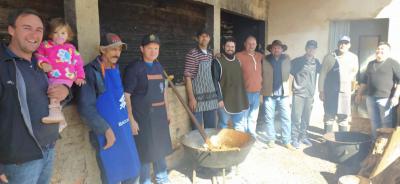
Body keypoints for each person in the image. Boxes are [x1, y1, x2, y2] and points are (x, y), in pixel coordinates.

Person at [0, 8, 70, 184]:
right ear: (11, 30)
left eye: (39, 30)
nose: (34, 34)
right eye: (26, 28)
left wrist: (65, 91)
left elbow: (60, 87)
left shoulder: (40, 64)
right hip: (18, 160)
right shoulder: (3, 65)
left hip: (48, 149)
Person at [77, 33, 140, 184]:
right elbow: (86, 108)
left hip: (123, 131)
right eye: (113, 49)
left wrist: (130, 119)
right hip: (106, 135)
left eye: (119, 49)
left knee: (132, 172)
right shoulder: (90, 72)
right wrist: (105, 129)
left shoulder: (115, 69)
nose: (117, 53)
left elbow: (121, 101)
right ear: (102, 50)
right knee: (112, 176)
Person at [124, 34, 172, 184]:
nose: (153, 51)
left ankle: (162, 178)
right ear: (141, 49)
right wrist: (131, 119)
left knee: (160, 148)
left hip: (159, 116)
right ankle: (144, 181)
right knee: (144, 152)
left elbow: (163, 90)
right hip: (142, 118)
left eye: (156, 48)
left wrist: (168, 111)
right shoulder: (134, 68)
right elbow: (126, 95)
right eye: (149, 48)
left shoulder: (159, 67)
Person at [35, 17, 85, 131]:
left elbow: (78, 63)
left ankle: (56, 117)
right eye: (55, 32)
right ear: (50, 34)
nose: (59, 35)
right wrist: (43, 63)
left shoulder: (71, 48)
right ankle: (60, 120)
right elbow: (38, 55)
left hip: (66, 76)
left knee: (54, 93)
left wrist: (80, 76)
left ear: (68, 35)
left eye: (63, 33)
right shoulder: (45, 45)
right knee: (51, 94)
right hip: (51, 76)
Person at [356, 42, 400, 139]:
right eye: (378, 49)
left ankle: (383, 148)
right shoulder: (371, 64)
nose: (379, 51)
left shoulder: (393, 63)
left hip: (386, 99)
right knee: (374, 122)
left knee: (386, 124)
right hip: (370, 98)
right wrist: (359, 94)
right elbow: (364, 81)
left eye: (382, 49)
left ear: (388, 52)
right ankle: (374, 145)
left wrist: (396, 96)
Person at [318, 36, 359, 133]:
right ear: (337, 44)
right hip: (330, 92)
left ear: (349, 45)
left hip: (344, 93)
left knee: (343, 118)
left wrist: (349, 82)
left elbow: (354, 72)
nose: (342, 45)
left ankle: (341, 142)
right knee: (329, 115)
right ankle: (327, 140)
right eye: (341, 43)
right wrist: (321, 91)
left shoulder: (353, 57)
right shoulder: (329, 57)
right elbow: (322, 74)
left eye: (345, 43)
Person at [261, 40, 294, 150]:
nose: (276, 50)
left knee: (286, 118)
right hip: (269, 94)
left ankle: (286, 141)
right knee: (269, 117)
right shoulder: (264, 59)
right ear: (271, 49)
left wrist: (293, 89)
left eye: (279, 48)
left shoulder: (287, 59)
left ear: (282, 49)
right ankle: (271, 139)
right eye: (274, 48)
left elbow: (295, 71)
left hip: (284, 94)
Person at [184, 29, 219, 129]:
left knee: (211, 128)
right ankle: (197, 145)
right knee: (197, 130)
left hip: (211, 97)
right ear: (197, 38)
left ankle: (210, 144)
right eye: (202, 36)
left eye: (206, 36)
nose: (204, 38)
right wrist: (191, 98)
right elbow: (188, 77)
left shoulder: (210, 53)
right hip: (197, 98)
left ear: (209, 38)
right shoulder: (192, 54)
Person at [212, 37, 249, 131]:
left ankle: (239, 145)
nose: (230, 48)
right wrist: (219, 99)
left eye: (232, 46)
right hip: (224, 100)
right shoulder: (217, 62)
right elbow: (215, 82)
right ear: (223, 47)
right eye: (228, 46)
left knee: (239, 125)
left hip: (238, 99)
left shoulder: (238, 61)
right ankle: (221, 144)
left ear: (235, 48)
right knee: (223, 125)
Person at [290, 40, 321, 149]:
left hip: (310, 94)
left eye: (313, 48)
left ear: (316, 50)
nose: (311, 50)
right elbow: (288, 71)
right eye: (309, 47)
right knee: (296, 117)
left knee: (306, 117)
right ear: (306, 48)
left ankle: (303, 136)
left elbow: (323, 74)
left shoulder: (317, 63)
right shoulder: (297, 61)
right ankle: (294, 138)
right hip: (298, 93)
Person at [236, 35, 263, 137]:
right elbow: (229, 62)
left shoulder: (260, 56)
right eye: (249, 43)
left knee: (253, 116)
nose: (251, 46)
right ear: (244, 44)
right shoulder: (238, 55)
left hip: (257, 92)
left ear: (256, 45)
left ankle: (251, 135)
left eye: (253, 44)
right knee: (243, 116)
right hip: (244, 92)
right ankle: (243, 137)